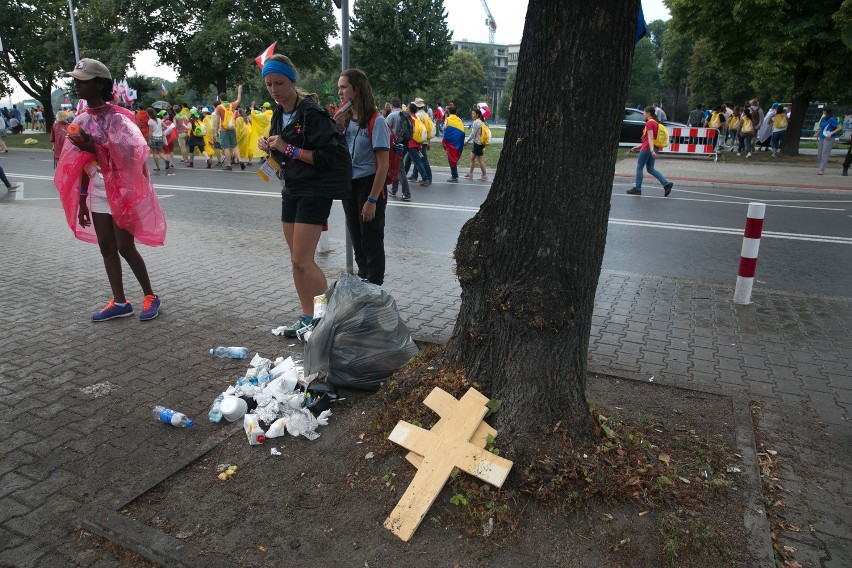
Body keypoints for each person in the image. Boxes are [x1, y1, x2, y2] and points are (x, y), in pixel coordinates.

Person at [53, 58, 165, 322]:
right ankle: (120, 301)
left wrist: (93, 147)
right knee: (106, 246)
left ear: (100, 84)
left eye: (84, 81)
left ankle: (150, 295)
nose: (77, 85)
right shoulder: (80, 119)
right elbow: (80, 165)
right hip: (97, 191)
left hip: (123, 191)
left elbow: (132, 157)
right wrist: (82, 200)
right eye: (76, 81)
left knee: (125, 246)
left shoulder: (121, 118)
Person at [257, 54, 351, 337]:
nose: (274, 90)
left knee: (304, 260)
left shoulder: (312, 113)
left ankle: (328, 318)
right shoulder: (278, 112)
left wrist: (288, 149)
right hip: (292, 189)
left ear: (292, 81)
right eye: (269, 84)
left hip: (314, 190)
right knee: (296, 260)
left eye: (279, 83)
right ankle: (307, 317)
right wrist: (269, 146)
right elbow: (282, 151)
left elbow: (332, 156)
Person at [336, 68, 390, 286]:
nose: (339, 92)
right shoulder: (346, 119)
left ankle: (374, 289)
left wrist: (372, 200)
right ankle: (363, 280)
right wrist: (337, 129)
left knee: (371, 240)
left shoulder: (376, 121)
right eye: (339, 87)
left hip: (369, 185)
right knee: (357, 239)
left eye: (343, 87)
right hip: (350, 184)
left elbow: (383, 165)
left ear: (356, 89)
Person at [627, 106, 673, 197]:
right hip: (653, 148)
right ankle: (666, 184)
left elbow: (650, 138)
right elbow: (649, 139)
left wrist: (651, 150)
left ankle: (637, 188)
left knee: (639, 167)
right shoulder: (656, 123)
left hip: (648, 149)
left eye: (644, 112)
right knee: (650, 169)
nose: (643, 114)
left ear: (648, 113)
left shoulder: (649, 123)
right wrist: (638, 147)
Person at [385, 97, 412, 200]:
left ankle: (406, 193)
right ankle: (394, 189)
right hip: (405, 143)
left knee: (399, 168)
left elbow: (386, 130)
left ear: (391, 106)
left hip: (395, 144)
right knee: (397, 165)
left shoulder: (392, 115)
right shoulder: (406, 115)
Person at [216, 85, 245, 170]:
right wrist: (239, 91)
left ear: (220, 99)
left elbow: (217, 121)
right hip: (232, 128)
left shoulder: (219, 107)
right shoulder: (232, 105)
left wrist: (216, 130)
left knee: (226, 147)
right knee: (235, 146)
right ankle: (240, 160)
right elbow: (238, 99)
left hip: (223, 130)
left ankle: (229, 165)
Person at [815, 106, 842, 176]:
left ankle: (821, 170)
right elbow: (822, 127)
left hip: (829, 138)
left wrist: (831, 133)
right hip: (822, 137)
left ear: (826, 112)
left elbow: (839, 127)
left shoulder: (832, 119)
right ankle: (820, 167)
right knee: (820, 153)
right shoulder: (823, 118)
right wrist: (818, 133)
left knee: (825, 153)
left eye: (824, 111)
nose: (823, 112)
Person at [441, 104, 465, 183]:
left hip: (450, 142)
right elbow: (462, 131)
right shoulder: (459, 120)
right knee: (453, 159)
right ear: (456, 112)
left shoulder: (448, 119)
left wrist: (443, 141)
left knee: (451, 159)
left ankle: (454, 176)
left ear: (448, 111)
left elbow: (445, 130)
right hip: (457, 142)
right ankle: (455, 174)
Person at [463, 106, 488, 181]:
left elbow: (473, 134)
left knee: (480, 159)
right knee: (472, 157)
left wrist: (467, 141)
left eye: (473, 114)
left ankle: (484, 176)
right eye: (472, 113)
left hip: (478, 143)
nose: (472, 115)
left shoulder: (476, 122)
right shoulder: (480, 121)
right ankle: (470, 174)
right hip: (479, 143)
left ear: (477, 115)